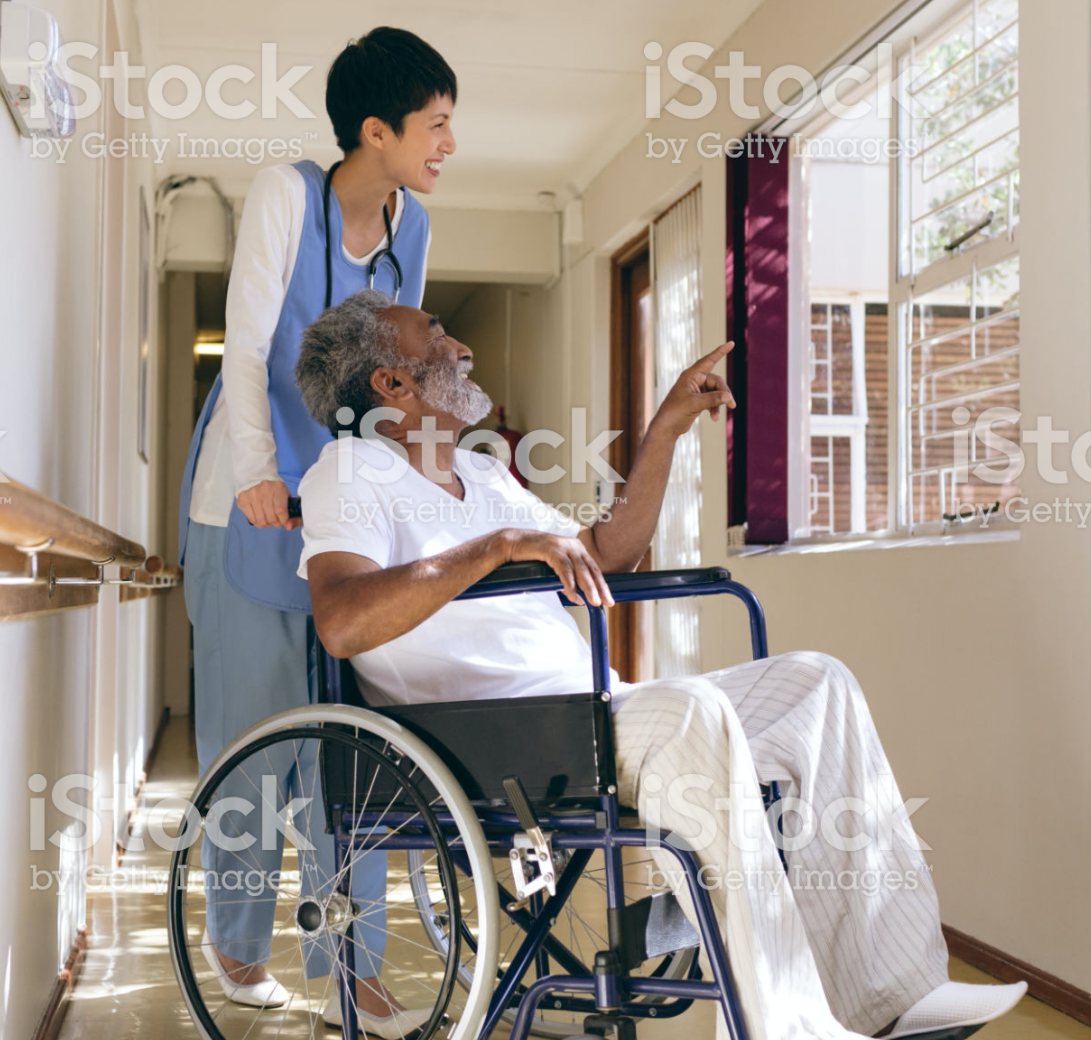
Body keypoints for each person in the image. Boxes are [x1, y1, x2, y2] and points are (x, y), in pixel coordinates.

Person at [290, 289, 1029, 1040]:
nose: (461, 348)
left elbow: (607, 552)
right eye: (437, 334)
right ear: (391, 384)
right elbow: (343, 620)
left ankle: (898, 996)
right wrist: (495, 548)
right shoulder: (349, 470)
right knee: (695, 715)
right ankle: (790, 1026)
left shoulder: (481, 475)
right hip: (495, 738)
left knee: (818, 683)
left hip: (590, 713)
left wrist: (666, 431)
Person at [176, 27, 454, 1035]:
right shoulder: (285, 196)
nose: (447, 143)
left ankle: (357, 965)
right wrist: (258, 473)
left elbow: (395, 373)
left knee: (352, 750)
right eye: (434, 124)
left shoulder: (410, 227)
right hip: (246, 504)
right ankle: (238, 938)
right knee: (253, 744)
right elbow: (247, 345)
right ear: (372, 130)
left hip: (339, 511)